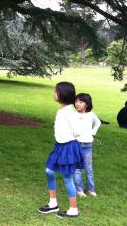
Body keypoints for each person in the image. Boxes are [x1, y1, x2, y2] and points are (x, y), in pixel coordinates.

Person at [38, 82, 85, 218]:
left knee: (67, 178)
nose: (54, 94)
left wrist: (69, 140)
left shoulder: (70, 112)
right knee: (49, 171)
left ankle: (73, 209)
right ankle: (53, 204)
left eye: (56, 92)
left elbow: (78, 131)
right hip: (59, 146)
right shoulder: (62, 109)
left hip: (68, 147)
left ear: (63, 94)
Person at [73, 93, 101, 198]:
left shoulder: (91, 115)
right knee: (77, 169)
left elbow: (98, 123)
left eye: (80, 102)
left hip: (87, 147)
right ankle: (79, 190)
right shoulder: (73, 115)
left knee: (89, 168)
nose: (77, 104)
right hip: (76, 146)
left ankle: (91, 189)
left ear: (87, 104)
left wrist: (93, 132)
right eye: (76, 102)